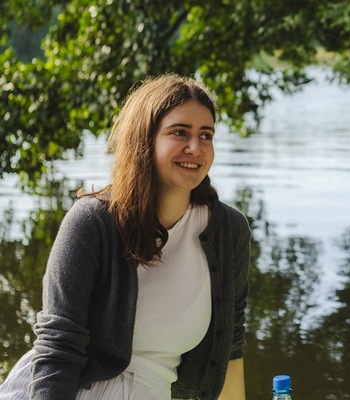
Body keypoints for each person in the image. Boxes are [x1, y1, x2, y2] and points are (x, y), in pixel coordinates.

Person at [0, 74, 251, 399]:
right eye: (180, 132)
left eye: (206, 135)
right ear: (144, 139)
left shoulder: (228, 231)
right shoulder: (91, 222)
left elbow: (230, 345)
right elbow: (58, 348)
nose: (196, 148)